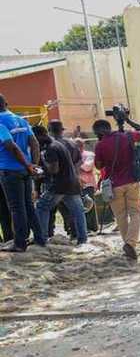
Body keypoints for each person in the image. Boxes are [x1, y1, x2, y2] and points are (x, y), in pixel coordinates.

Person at [93, 111, 140, 260]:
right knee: (136, 213)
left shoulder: (100, 145)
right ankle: (130, 244)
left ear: (98, 132)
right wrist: (129, 121)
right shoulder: (127, 136)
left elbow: (99, 166)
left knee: (121, 216)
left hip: (113, 185)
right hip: (132, 181)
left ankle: (128, 245)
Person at [0, 93, 45, 252]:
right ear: (6, 103)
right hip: (25, 171)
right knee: (28, 206)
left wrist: (28, 164)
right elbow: (34, 143)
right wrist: (33, 164)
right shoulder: (21, 120)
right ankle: (40, 238)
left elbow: (10, 145)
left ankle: (19, 243)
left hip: (9, 170)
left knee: (16, 208)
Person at [34, 127, 87, 247]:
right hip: (72, 182)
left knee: (41, 207)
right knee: (78, 211)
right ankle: (82, 238)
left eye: (35, 138)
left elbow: (54, 169)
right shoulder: (58, 144)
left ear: (40, 136)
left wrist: (41, 170)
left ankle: (41, 238)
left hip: (59, 185)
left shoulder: (50, 149)